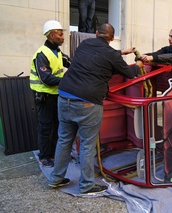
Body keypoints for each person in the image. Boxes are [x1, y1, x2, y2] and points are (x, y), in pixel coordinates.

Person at [48, 23, 143, 196]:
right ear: (112, 38)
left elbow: (101, 54)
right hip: (87, 102)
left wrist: (123, 52)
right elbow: (132, 73)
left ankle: (55, 178)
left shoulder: (84, 45)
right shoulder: (111, 55)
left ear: (96, 33)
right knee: (87, 145)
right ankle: (86, 186)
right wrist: (138, 62)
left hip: (64, 95)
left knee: (63, 140)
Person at [30, 20, 71, 167]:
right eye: (60, 34)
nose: (63, 37)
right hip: (44, 97)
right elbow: (46, 78)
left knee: (57, 125)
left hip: (55, 95)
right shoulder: (42, 54)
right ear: (51, 35)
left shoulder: (58, 52)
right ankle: (44, 156)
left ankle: (54, 153)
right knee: (45, 127)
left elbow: (72, 63)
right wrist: (68, 81)